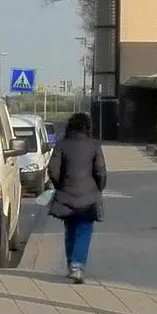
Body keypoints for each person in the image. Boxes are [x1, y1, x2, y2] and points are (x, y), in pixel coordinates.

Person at [45, 111, 107, 284]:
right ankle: (77, 266)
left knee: (70, 229)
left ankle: (71, 264)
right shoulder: (94, 145)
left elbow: (52, 170)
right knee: (84, 230)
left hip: (66, 195)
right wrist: (99, 187)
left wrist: (60, 186)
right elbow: (101, 170)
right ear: (87, 127)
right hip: (88, 197)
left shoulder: (62, 145)